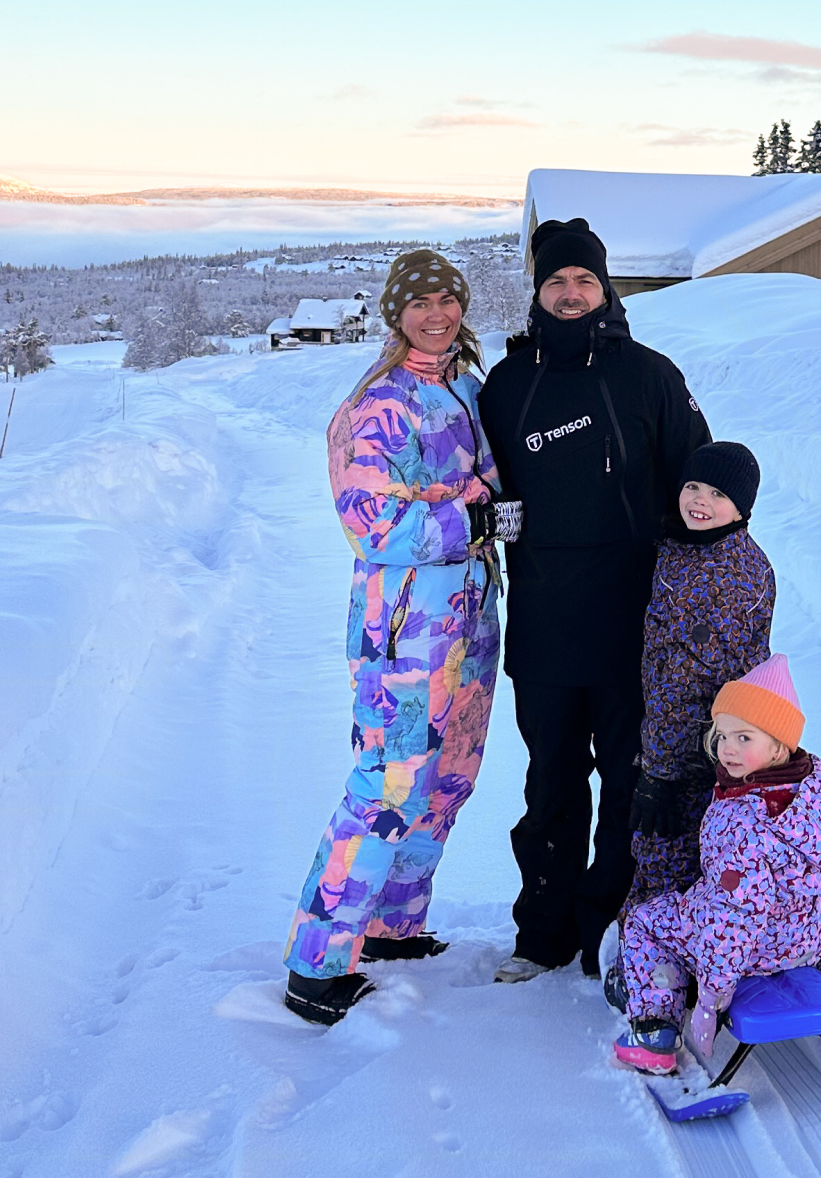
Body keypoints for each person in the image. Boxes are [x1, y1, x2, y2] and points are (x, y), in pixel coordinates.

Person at [479, 218, 712, 982]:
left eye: (584, 281)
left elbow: (693, 481)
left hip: (632, 616)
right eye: (557, 282)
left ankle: (615, 927)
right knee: (550, 779)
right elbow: (486, 487)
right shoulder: (509, 386)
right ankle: (542, 932)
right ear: (538, 293)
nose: (571, 293)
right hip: (544, 616)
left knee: (628, 776)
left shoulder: (649, 375)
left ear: (604, 288)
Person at [282, 250, 512, 1026]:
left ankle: (392, 924)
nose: (436, 313)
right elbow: (373, 523)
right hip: (408, 621)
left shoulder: (468, 388)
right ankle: (317, 960)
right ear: (394, 311)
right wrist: (476, 515)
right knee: (391, 781)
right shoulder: (375, 406)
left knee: (450, 775)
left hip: (473, 614)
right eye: (419, 302)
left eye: (448, 299)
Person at [611, 655, 821, 1073]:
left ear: (778, 744)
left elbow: (734, 918)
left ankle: (654, 1032)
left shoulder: (740, 821)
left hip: (748, 950)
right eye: (721, 736)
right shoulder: (820, 786)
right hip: (804, 934)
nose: (727, 749)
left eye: (744, 738)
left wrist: (711, 999)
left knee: (649, 923)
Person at [623, 441, 773, 916]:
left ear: (741, 508)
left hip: (698, 760)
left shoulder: (723, 575)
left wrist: (660, 773)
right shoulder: (688, 551)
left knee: (669, 869)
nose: (699, 500)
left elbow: (686, 682)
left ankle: (657, 975)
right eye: (692, 486)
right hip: (709, 754)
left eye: (716, 493)